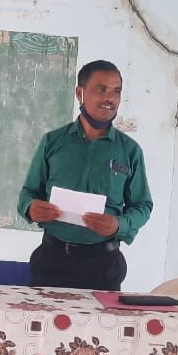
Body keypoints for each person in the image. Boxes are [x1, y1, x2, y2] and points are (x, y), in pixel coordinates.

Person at [17, 60, 153, 290]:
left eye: (116, 91)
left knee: (101, 316)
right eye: (101, 89)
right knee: (45, 315)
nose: (110, 98)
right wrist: (30, 208)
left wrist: (119, 224)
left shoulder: (130, 151)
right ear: (80, 93)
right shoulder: (53, 142)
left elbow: (142, 206)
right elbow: (28, 193)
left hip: (103, 265)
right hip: (52, 261)